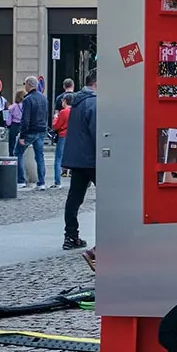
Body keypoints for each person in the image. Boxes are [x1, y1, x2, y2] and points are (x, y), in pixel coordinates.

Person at [63, 71, 98, 251]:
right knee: (110, 197)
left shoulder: (77, 100)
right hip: (93, 158)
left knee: (74, 198)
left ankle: (70, 236)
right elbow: (98, 132)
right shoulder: (94, 102)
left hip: (77, 159)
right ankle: (110, 236)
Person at [20, 76, 50, 190]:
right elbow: (46, 115)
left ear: (28, 84)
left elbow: (25, 119)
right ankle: (41, 182)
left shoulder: (28, 99)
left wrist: (22, 135)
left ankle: (21, 180)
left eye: (25, 84)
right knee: (39, 156)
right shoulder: (43, 98)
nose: (25, 86)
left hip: (31, 131)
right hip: (41, 130)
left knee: (18, 153)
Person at [51, 91, 71, 189]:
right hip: (72, 136)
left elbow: (56, 126)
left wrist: (55, 118)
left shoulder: (63, 112)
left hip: (63, 135)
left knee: (58, 159)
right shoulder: (75, 110)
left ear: (65, 101)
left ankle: (57, 182)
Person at [6, 90, 26, 160]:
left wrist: (8, 125)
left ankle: (12, 156)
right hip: (23, 125)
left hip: (14, 125)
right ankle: (20, 157)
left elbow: (9, 119)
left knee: (12, 142)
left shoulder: (13, 106)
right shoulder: (26, 106)